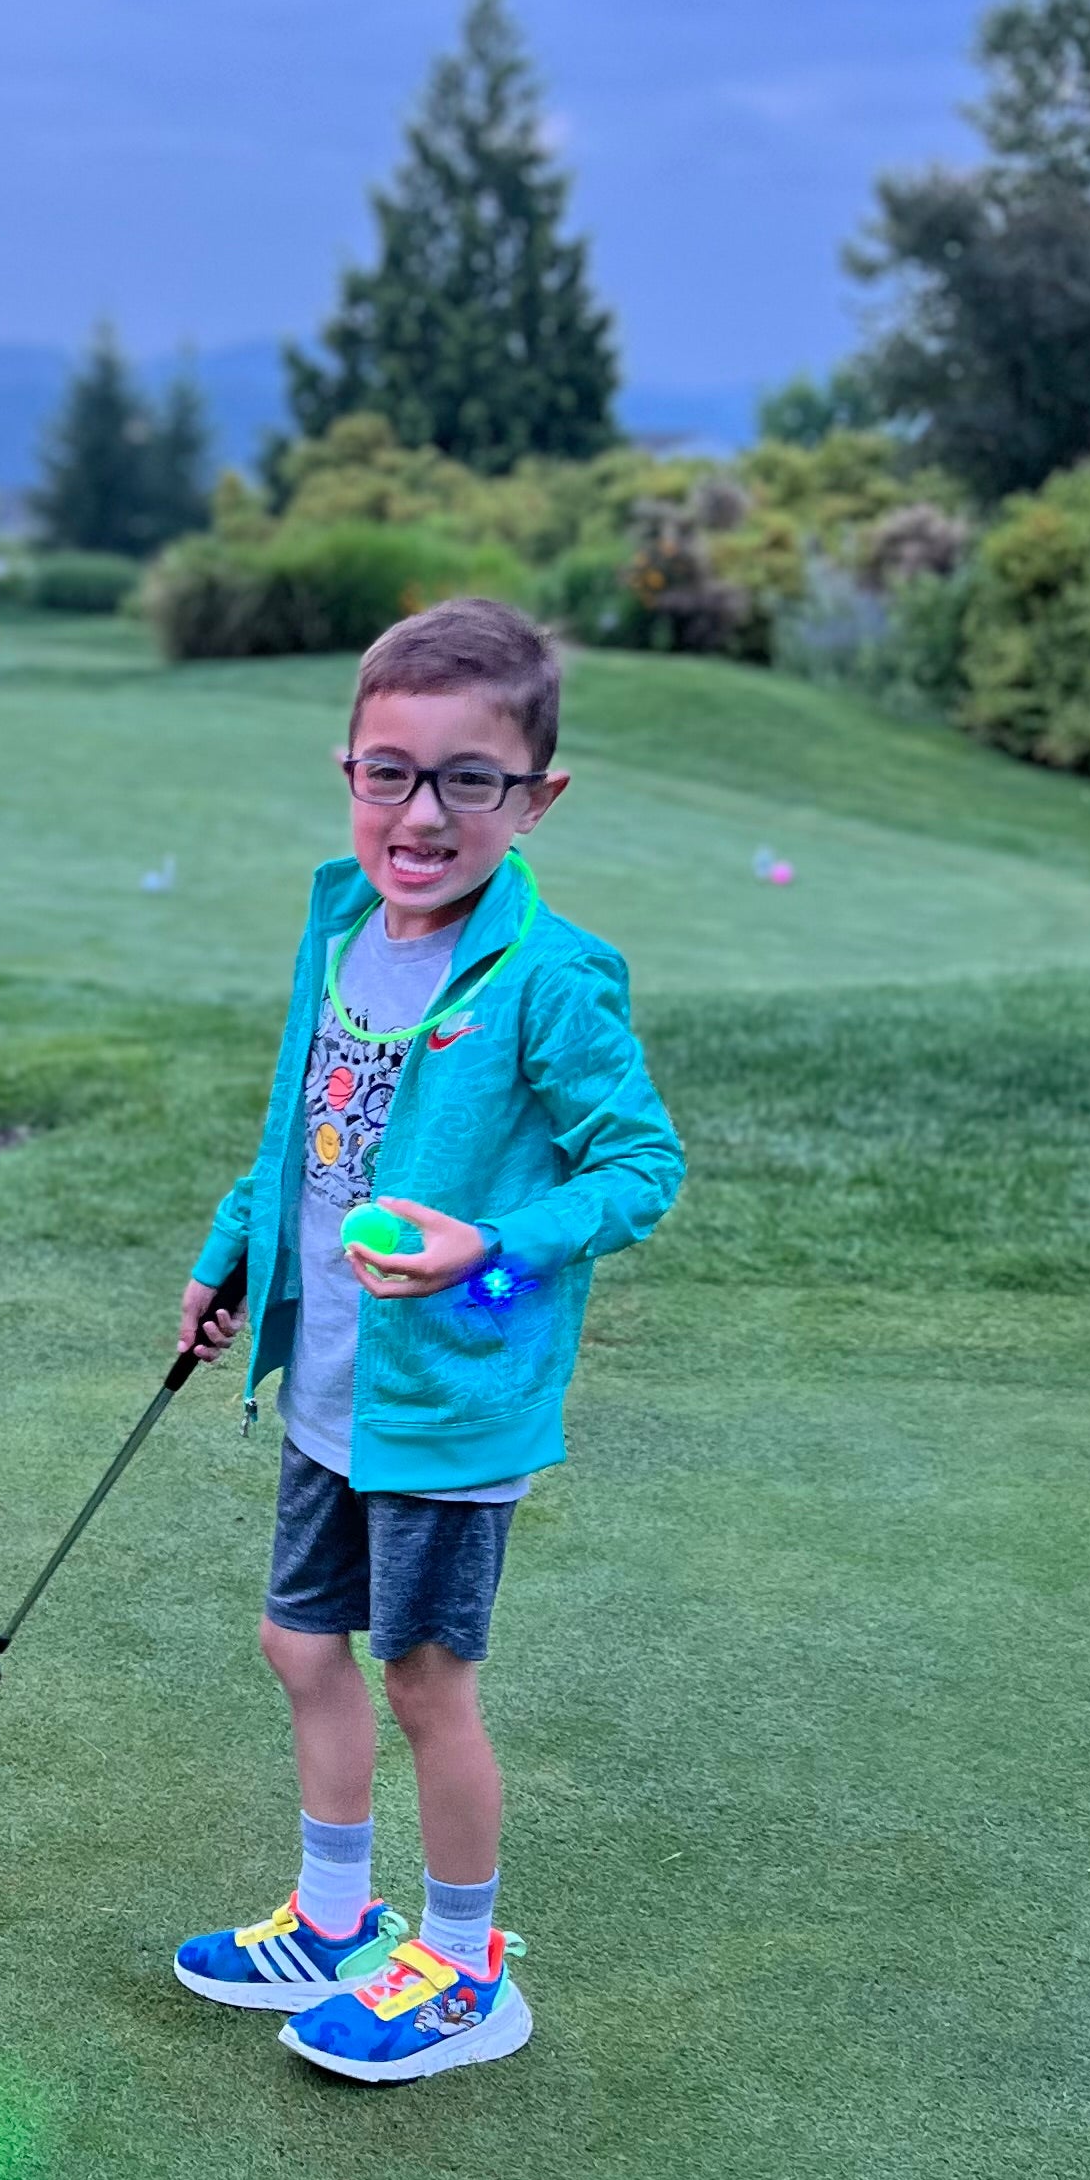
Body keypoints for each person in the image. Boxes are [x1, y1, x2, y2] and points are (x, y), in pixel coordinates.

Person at [170, 597, 683, 2081]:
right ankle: (336, 1922)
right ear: (348, 772)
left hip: (450, 1399)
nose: (423, 811)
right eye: (390, 770)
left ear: (537, 798)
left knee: (424, 1681)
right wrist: (230, 1258)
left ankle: (464, 1967)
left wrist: (495, 1244)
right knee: (297, 1642)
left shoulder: (549, 977)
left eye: (472, 779)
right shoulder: (341, 926)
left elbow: (638, 1167)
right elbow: (300, 1145)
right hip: (329, 1386)